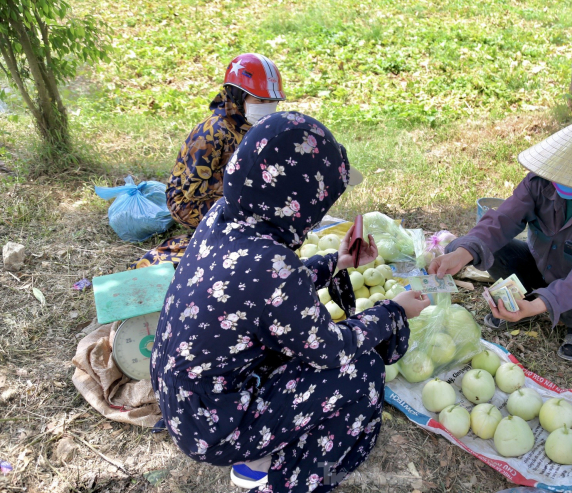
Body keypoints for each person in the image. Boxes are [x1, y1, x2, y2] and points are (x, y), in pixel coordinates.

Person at [150, 111, 431, 492]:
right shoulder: (271, 263)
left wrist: (339, 261)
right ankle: (286, 480)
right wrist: (394, 311)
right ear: (299, 200)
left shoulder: (225, 215)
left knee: (297, 348)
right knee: (361, 370)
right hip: (214, 424)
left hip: (187, 400)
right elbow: (332, 349)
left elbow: (270, 293)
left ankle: (260, 455)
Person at [430, 111, 572, 361]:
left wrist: (535, 306)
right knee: (495, 251)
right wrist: (462, 253)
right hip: (542, 266)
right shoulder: (539, 184)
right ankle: (528, 302)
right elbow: (502, 221)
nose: (563, 179)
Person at [131, 53, 285, 269]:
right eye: (260, 100)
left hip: (233, 192)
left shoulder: (251, 125)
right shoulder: (211, 133)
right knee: (249, 225)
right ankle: (172, 255)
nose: (267, 106)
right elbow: (192, 189)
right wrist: (245, 180)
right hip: (187, 203)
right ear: (237, 96)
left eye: (272, 101)